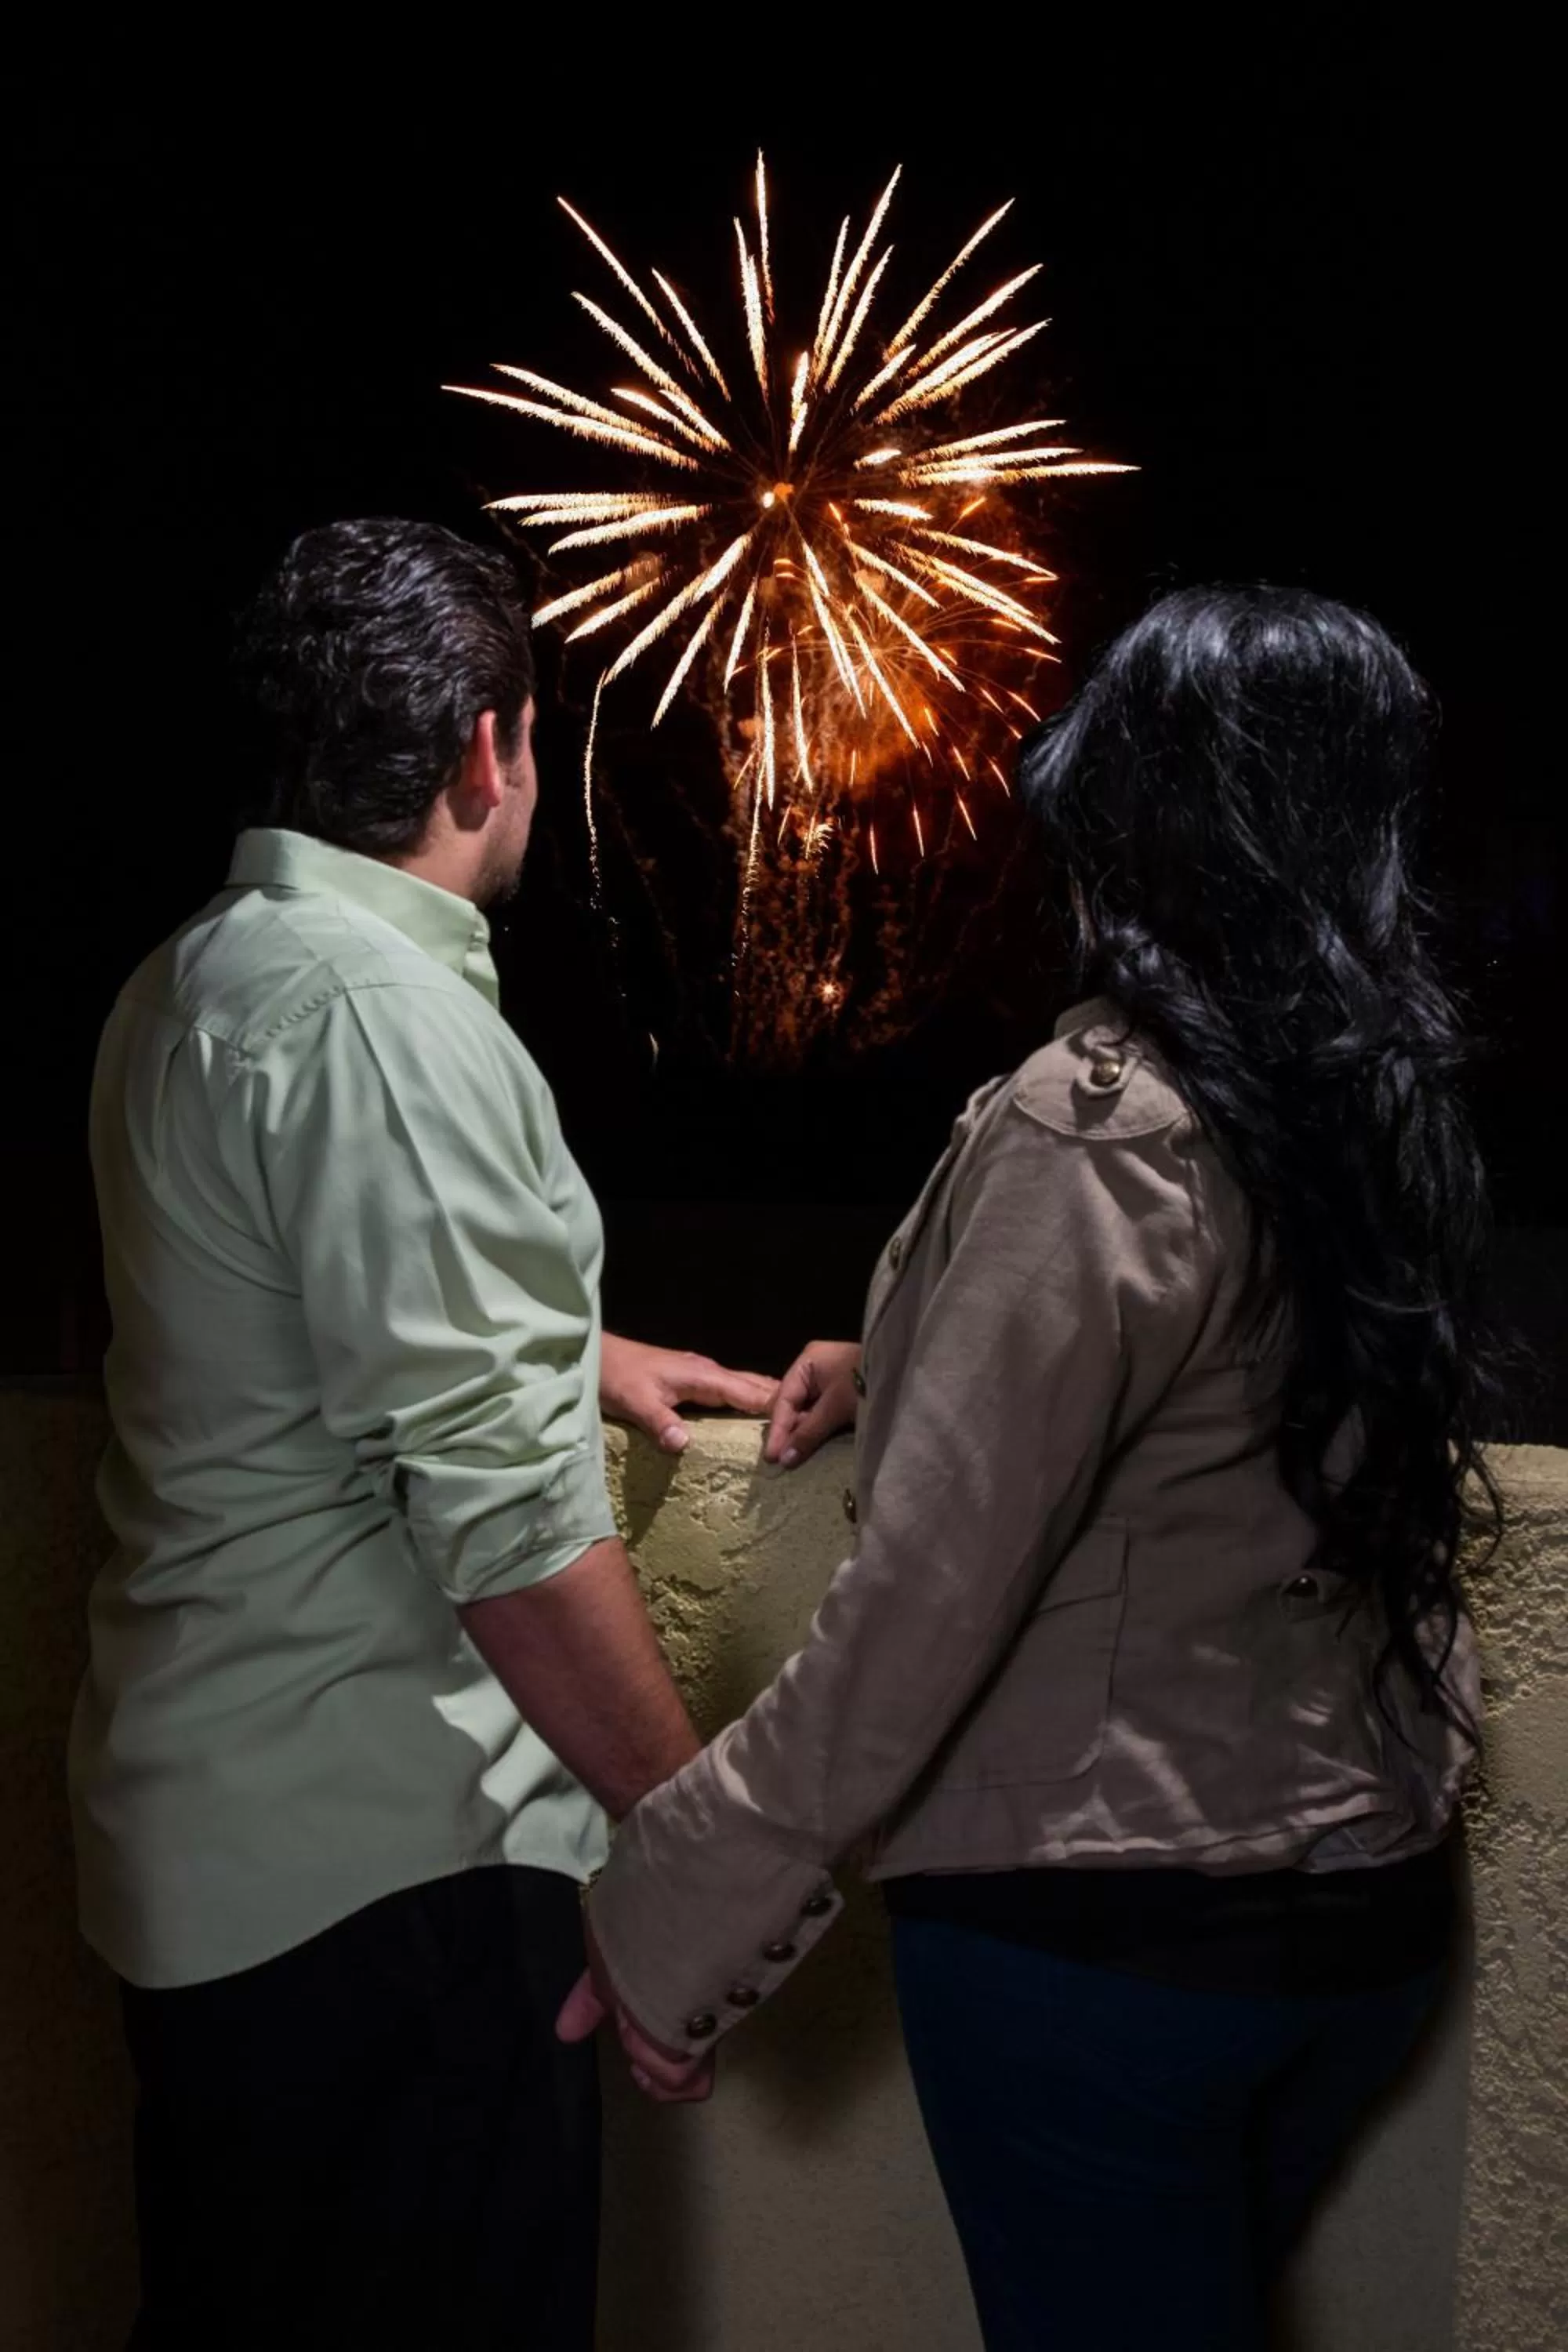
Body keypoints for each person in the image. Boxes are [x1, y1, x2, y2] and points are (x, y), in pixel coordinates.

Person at [561, 586, 1506, 2350]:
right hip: (1360, 1916)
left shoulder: (1093, 1132)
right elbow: (1230, 1384)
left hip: (1106, 1947)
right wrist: (904, 1347)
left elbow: (916, 1611)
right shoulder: (1378, 1105)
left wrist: (672, 1922)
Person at [71, 516, 776, 2350]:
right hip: (385, 1878)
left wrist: (568, 1347)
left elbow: (294, 1320)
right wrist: (701, 1846)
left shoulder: (201, 977)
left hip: (219, 1852)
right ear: (487, 746)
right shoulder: (383, 1017)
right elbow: (502, 1525)